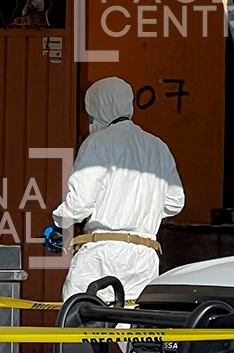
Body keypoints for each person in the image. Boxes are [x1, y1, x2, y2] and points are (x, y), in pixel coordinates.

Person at [44, 76, 185, 302]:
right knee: (131, 328)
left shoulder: (98, 143)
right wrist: (142, 211)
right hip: (145, 257)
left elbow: (81, 201)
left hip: (102, 253)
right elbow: (175, 202)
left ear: (100, 107)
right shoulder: (158, 147)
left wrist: (58, 222)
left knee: (80, 322)